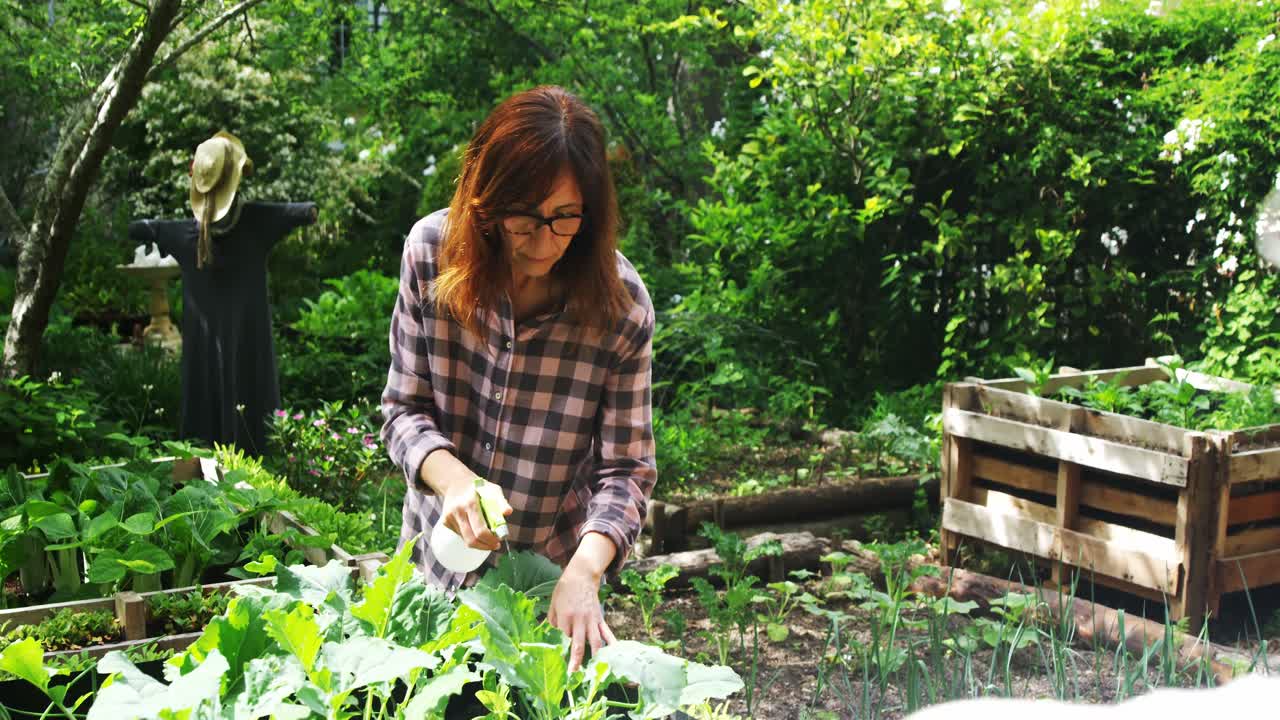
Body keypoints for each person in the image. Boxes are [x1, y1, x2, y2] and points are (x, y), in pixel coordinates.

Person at [380, 85, 657, 671]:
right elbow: (404, 409)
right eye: (525, 219)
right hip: (435, 570)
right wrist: (454, 482)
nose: (545, 241)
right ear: (487, 202)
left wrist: (585, 570)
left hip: (546, 586)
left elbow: (626, 471)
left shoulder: (622, 308)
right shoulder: (431, 255)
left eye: (565, 218)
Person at [128, 130, 317, 455]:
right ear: (237, 178)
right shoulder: (258, 222)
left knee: (201, 424)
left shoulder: (182, 234)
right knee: (253, 413)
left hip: (202, 357)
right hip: (250, 346)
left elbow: (138, 228)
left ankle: (199, 472)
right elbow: (306, 211)